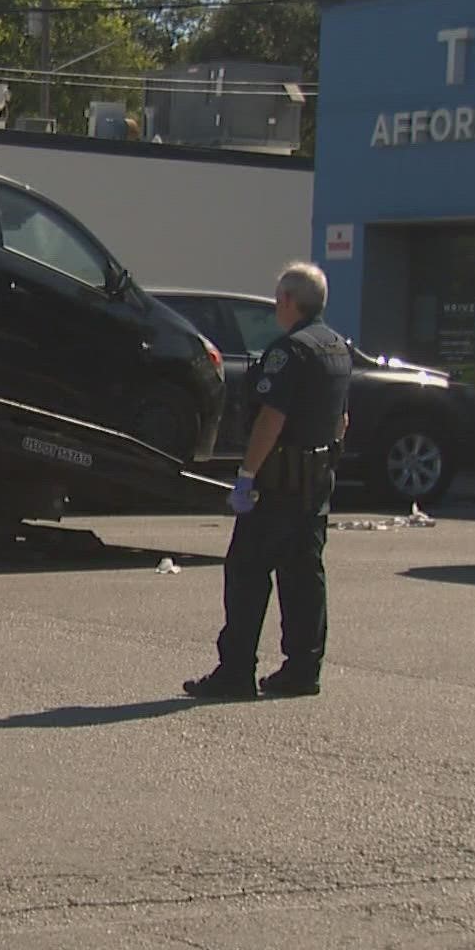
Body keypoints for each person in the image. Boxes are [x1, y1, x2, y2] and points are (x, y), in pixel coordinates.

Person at [185, 261, 351, 700]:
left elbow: (270, 420)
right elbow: (341, 420)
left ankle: (236, 671)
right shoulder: (336, 348)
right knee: (303, 576)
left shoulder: (289, 351)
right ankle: (302, 669)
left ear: (288, 301)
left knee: (247, 572)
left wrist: (246, 476)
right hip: (316, 483)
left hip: (279, 484)